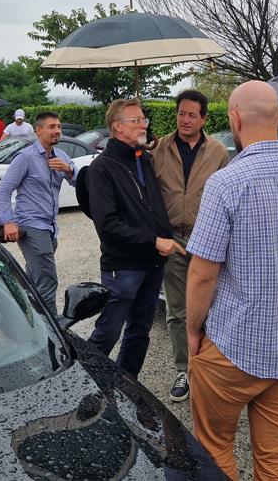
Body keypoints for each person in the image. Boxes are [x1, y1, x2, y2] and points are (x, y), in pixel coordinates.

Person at [186, 81, 278, 481]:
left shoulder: (226, 183)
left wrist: (193, 331)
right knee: (274, 452)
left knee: (214, 447)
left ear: (235, 119)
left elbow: (202, 273)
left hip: (234, 342)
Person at [84, 98, 186, 379]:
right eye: (137, 120)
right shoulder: (101, 168)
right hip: (124, 266)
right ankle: (87, 383)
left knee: (140, 331)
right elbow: (108, 225)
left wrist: (161, 238)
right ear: (118, 127)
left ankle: (126, 383)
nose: (144, 125)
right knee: (108, 331)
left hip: (153, 262)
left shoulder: (143, 159)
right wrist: (154, 240)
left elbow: (151, 207)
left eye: (144, 119)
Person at [151, 89, 229, 403]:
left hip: (206, 238)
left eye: (192, 115)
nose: (185, 120)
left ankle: (208, 368)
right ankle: (184, 369)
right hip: (171, 238)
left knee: (210, 305)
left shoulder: (218, 151)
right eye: (181, 113)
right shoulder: (159, 148)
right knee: (177, 310)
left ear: (204, 118)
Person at [0, 111, 77, 317]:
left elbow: (79, 182)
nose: (57, 131)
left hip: (51, 228)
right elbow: (3, 191)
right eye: (51, 127)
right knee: (47, 281)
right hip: (31, 227)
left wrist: (68, 170)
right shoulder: (26, 158)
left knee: (32, 280)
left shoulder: (61, 156)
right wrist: (8, 221)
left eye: (59, 126)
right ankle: (52, 330)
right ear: (38, 130)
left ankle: (23, 319)